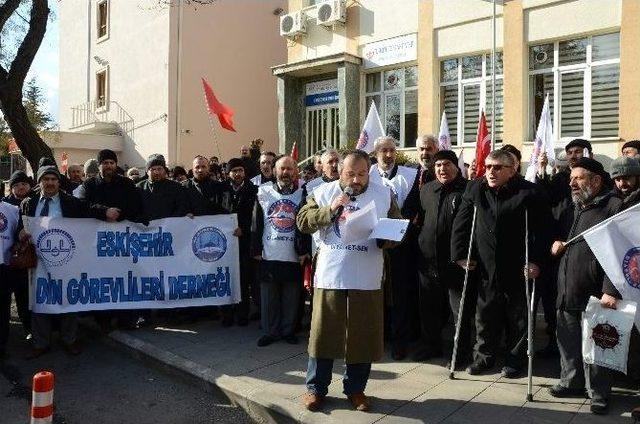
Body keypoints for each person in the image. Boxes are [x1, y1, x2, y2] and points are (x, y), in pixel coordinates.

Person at [297, 150, 402, 412]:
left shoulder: (383, 194)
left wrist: (387, 238)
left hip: (367, 275)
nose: (356, 180)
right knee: (323, 335)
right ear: (339, 171)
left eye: (362, 174)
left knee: (362, 336)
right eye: (350, 174)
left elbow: (398, 226)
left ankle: (356, 390)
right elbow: (302, 221)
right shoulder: (323, 192)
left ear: (370, 172)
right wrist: (329, 210)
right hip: (331, 274)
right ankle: (315, 389)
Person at [451, 150, 551, 378]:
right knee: (485, 315)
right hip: (486, 265)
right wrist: (460, 255)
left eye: (497, 167)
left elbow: (543, 231)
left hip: (518, 264)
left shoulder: (530, 192)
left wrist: (536, 260)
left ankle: (515, 359)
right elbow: (462, 223)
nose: (491, 172)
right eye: (488, 167)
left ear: (512, 169)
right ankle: (484, 357)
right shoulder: (476, 188)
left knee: (519, 316)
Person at [19, 166, 120, 358]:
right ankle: (40, 342)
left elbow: (88, 209)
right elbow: (19, 224)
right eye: (46, 179)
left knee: (68, 297)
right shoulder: (28, 202)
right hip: (38, 260)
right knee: (40, 300)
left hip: (66, 258)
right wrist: (20, 232)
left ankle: (70, 339)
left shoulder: (69, 202)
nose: (49, 183)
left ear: (58, 182)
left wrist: (106, 212)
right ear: (39, 182)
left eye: (53, 179)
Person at [548, 157, 621, 415]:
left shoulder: (613, 207)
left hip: (597, 293)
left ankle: (598, 393)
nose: (572, 183)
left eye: (578, 178)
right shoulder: (573, 207)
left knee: (599, 345)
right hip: (568, 287)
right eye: (571, 179)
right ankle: (571, 382)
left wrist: (610, 290)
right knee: (567, 341)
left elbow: (621, 255)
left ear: (596, 180)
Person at [415, 150, 474, 365]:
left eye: (447, 164)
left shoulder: (468, 189)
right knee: (429, 308)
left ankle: (461, 352)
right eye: (438, 165)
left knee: (459, 311)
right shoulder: (427, 189)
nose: (442, 169)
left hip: (456, 262)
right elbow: (418, 218)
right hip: (428, 261)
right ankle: (431, 345)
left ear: (456, 166)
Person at [79, 149, 146, 331]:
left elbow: (135, 206)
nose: (108, 166)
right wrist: (104, 212)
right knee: (104, 280)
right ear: (99, 165)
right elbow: (82, 206)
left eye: (111, 162)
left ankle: (127, 318)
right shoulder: (89, 185)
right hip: (99, 245)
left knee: (125, 279)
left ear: (116, 164)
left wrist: (119, 214)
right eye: (105, 163)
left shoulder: (126, 184)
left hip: (123, 242)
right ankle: (103, 319)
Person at [369, 136, 420, 360]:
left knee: (399, 295)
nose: (389, 155)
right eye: (384, 151)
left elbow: (411, 209)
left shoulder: (410, 175)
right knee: (375, 293)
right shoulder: (366, 174)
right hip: (372, 245)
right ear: (376, 153)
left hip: (400, 245)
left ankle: (399, 341)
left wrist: (393, 232)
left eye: (392, 150)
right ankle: (377, 337)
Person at [251, 156, 308, 347]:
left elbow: (304, 225)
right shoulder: (263, 192)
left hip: (293, 254)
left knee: (291, 297)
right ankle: (270, 332)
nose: (286, 173)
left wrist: (304, 250)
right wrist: (256, 249)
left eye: (290, 169)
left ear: (295, 172)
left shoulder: (303, 193)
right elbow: (256, 223)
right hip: (269, 253)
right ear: (275, 171)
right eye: (282, 169)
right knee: (269, 298)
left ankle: (288, 331)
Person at [219, 158, 258, 327]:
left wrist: (244, 228)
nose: (237, 174)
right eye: (234, 171)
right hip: (224, 244)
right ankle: (226, 314)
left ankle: (243, 314)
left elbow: (256, 216)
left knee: (243, 279)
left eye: (240, 170)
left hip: (244, 243)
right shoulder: (221, 190)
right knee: (225, 278)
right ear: (228, 173)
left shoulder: (254, 190)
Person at [0, 186, 22, 360]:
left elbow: (18, 234)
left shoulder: (12, 210)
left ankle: (2, 346)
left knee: (3, 308)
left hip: (4, 266)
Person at [137, 154, 190, 221]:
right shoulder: (138, 188)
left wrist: (168, 222)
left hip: (169, 228)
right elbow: (134, 209)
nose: (156, 172)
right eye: (153, 169)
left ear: (164, 170)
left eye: (159, 169)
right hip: (145, 229)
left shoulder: (176, 187)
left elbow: (181, 207)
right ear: (147, 171)